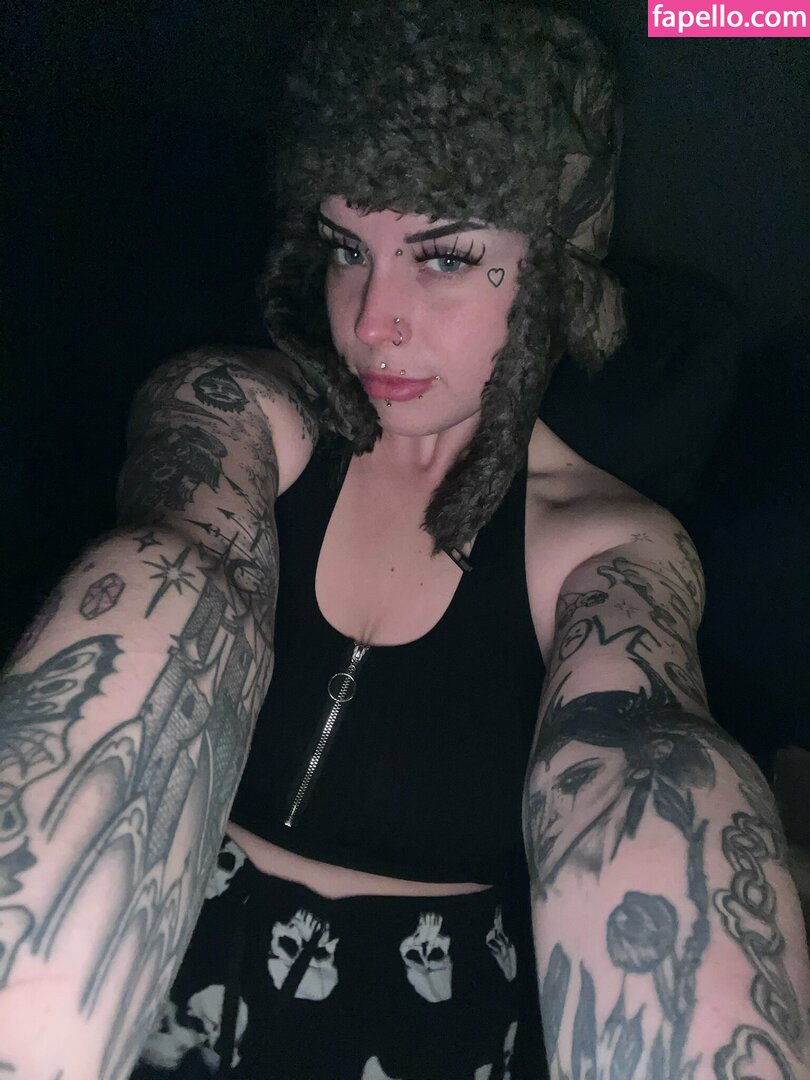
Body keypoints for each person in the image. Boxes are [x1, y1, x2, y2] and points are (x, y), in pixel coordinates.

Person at [0, 2, 807, 1078]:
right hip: (146, 973)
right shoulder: (240, 411)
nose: (370, 319)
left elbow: (643, 755)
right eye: (347, 248)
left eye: (443, 257)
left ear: (555, 270)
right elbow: (181, 568)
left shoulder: (606, 544)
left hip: (428, 1028)